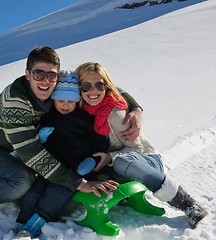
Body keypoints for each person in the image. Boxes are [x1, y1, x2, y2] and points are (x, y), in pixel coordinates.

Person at [0, 46, 141, 230]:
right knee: (21, 181)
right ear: (27, 74)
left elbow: (102, 87)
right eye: (38, 73)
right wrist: (78, 182)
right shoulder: (16, 103)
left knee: (30, 174)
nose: (45, 80)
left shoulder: (56, 88)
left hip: (6, 147)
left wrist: (135, 107)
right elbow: (32, 154)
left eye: (51, 75)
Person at [75, 62, 208, 229]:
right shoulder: (81, 110)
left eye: (99, 85)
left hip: (144, 160)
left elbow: (136, 148)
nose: (93, 91)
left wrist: (110, 157)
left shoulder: (115, 113)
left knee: (121, 161)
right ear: (78, 88)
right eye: (86, 86)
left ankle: (188, 203)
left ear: (106, 86)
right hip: (115, 163)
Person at [14, 70, 120, 238]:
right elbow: (35, 143)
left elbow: (99, 141)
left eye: (70, 101)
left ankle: (35, 224)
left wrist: (91, 160)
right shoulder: (48, 118)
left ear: (77, 101)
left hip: (76, 170)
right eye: (60, 100)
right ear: (53, 100)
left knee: (57, 193)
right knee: (34, 191)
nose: (65, 104)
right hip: (50, 167)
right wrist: (40, 138)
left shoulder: (85, 119)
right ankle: (22, 222)